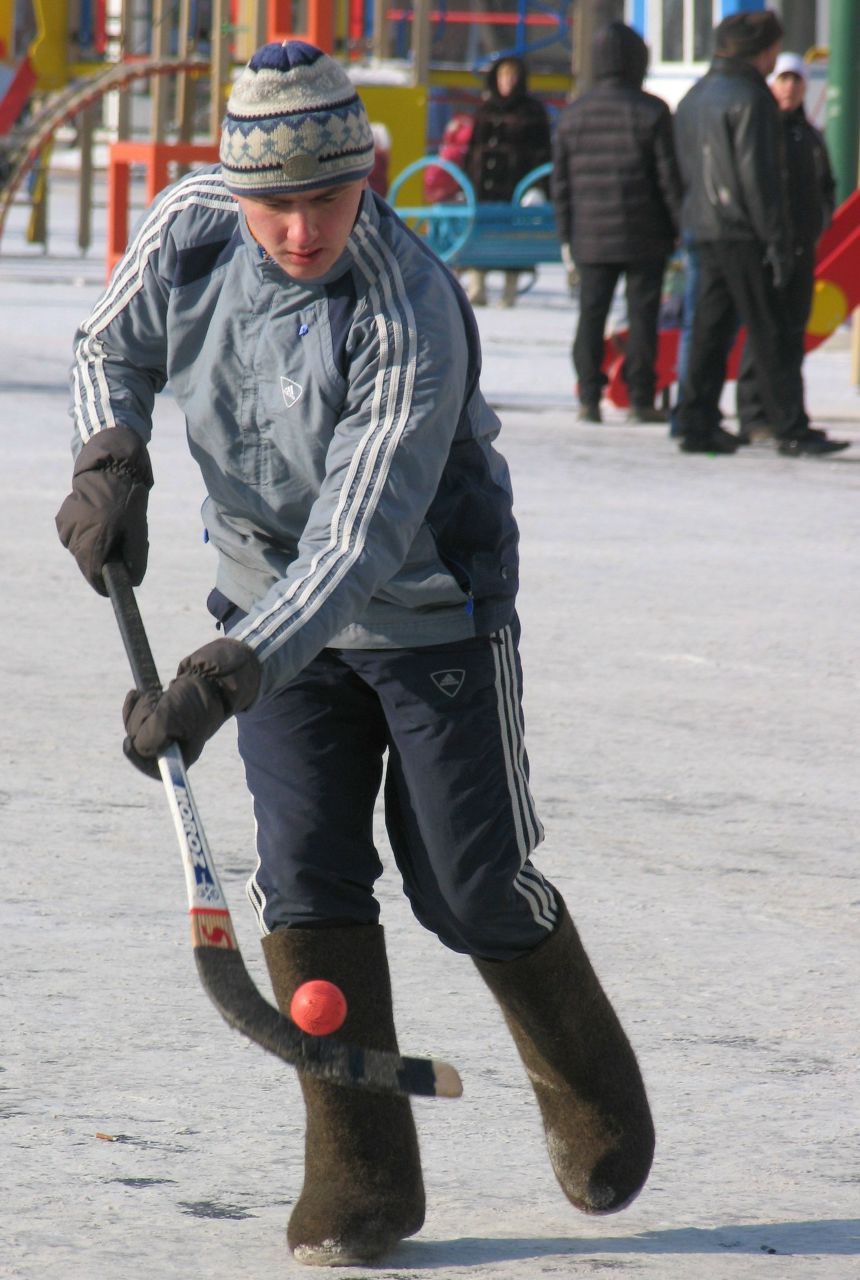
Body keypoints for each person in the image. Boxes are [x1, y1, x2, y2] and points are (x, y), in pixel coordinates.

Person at [55, 40, 654, 1269]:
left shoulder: (406, 301)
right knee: (308, 876)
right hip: (270, 612)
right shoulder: (192, 225)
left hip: (430, 606)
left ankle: (588, 1084)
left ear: (364, 177)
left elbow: (355, 541)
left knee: (466, 883)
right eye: (271, 201)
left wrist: (217, 675)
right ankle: (361, 1173)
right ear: (235, 188)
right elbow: (103, 345)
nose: (295, 228)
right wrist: (108, 455)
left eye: (323, 197)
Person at [674, 11, 847, 457]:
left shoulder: (696, 94)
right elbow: (759, 179)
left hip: (704, 226)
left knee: (709, 329)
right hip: (745, 232)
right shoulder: (752, 98)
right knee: (773, 330)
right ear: (765, 51)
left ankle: (695, 420)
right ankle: (789, 425)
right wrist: (778, 239)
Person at [552, 21, 682, 425]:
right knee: (643, 315)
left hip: (590, 236)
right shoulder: (653, 111)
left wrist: (567, 235)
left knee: (591, 314)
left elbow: (561, 185)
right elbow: (669, 179)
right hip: (646, 234)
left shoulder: (573, 115)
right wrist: (679, 227)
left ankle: (589, 396)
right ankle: (641, 397)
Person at [735, 52, 840, 449]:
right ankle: (754, 414)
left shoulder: (809, 133)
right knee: (761, 331)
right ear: (771, 84)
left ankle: (790, 414)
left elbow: (826, 184)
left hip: (801, 247)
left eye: (797, 81)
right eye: (784, 80)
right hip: (767, 247)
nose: (790, 88)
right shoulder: (763, 129)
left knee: (793, 334)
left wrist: (820, 222)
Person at [462, 55, 551, 307]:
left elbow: (542, 152)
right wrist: (465, 183)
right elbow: (472, 150)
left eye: (512, 77)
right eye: (503, 76)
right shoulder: (484, 110)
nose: (507, 82)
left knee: (514, 236)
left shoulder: (532, 111)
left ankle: (509, 290)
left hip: (516, 184)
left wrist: (538, 187)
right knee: (480, 233)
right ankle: (477, 286)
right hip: (484, 186)